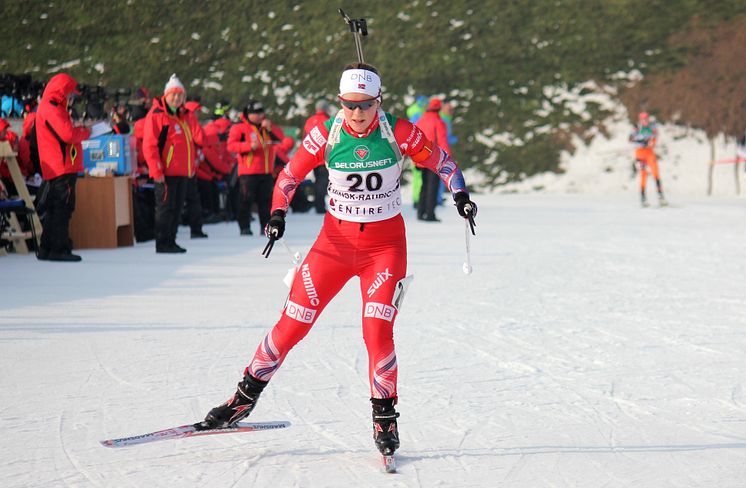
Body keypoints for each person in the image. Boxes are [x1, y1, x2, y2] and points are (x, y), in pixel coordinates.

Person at [200, 62, 478, 458]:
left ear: (378, 101)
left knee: (376, 332)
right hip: (333, 245)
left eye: (365, 104)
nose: (357, 113)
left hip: (384, 249)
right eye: (349, 105)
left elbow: (443, 162)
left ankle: (385, 420)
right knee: (292, 325)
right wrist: (278, 212)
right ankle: (241, 401)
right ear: (340, 103)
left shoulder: (397, 131)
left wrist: (460, 195)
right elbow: (288, 176)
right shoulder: (324, 134)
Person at [142, 74, 205, 253]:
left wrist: (191, 167)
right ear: (166, 95)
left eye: (180, 96)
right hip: (165, 173)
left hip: (181, 172)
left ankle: (172, 240)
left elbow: (188, 145)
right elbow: (150, 146)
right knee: (165, 209)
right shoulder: (157, 115)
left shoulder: (182, 116)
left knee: (176, 209)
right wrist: (156, 170)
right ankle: (163, 243)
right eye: (173, 95)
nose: (176, 98)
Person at [34, 73, 91, 261]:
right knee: (62, 208)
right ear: (63, 91)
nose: (72, 98)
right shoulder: (52, 107)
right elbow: (67, 135)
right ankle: (59, 249)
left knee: (55, 207)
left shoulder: (52, 106)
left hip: (58, 166)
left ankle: (47, 247)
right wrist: (85, 132)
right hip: (61, 166)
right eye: (70, 94)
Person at [227, 99, 284, 235]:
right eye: (256, 113)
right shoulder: (239, 128)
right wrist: (248, 147)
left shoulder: (266, 126)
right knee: (246, 201)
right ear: (248, 114)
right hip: (248, 172)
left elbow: (281, 138)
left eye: (261, 113)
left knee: (265, 203)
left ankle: (265, 228)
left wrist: (270, 128)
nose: (259, 116)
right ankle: (244, 228)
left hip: (266, 171)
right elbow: (231, 146)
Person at [415, 97, 451, 221]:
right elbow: (442, 141)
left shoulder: (421, 120)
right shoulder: (439, 122)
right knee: (433, 187)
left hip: (420, 158)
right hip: (434, 159)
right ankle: (430, 214)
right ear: (439, 108)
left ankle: (420, 212)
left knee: (424, 186)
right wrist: (447, 158)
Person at [630, 111, 666, 207]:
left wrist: (651, 142)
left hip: (650, 153)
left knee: (655, 172)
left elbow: (654, 137)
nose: (645, 121)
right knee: (643, 174)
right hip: (640, 154)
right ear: (640, 119)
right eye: (643, 119)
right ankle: (643, 198)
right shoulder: (636, 127)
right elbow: (631, 138)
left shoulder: (652, 127)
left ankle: (661, 196)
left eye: (646, 119)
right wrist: (641, 140)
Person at [304, 100, 331, 213]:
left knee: (317, 181)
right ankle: (319, 207)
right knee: (322, 182)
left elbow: (305, 138)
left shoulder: (309, 121)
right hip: (324, 157)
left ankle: (317, 204)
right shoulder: (328, 121)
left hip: (313, 156)